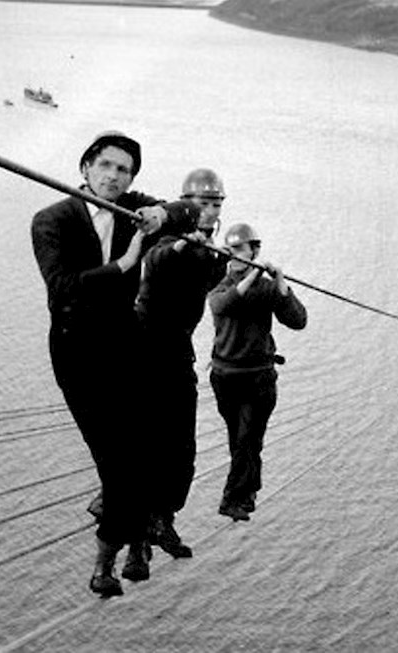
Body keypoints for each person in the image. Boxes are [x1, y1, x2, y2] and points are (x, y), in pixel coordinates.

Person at [31, 131, 198, 598]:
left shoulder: (132, 208)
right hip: (78, 354)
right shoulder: (51, 220)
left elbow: (189, 212)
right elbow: (63, 288)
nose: (113, 176)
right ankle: (104, 562)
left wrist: (163, 214)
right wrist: (126, 263)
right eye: (105, 166)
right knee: (117, 464)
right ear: (85, 168)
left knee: (150, 448)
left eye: (123, 171)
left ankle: (136, 548)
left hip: (125, 348)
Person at [135, 168, 228, 558]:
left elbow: (206, 284)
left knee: (182, 447)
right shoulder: (166, 238)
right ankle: (135, 530)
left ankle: (164, 517)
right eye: (204, 204)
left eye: (216, 205)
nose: (209, 211)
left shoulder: (212, 254)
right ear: (187, 204)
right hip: (144, 348)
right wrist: (183, 246)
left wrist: (219, 257)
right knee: (147, 442)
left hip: (177, 351)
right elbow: (155, 262)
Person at [207, 223, 307, 522]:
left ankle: (233, 498)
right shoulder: (219, 282)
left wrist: (281, 283)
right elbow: (224, 305)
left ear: (255, 250)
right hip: (225, 376)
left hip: (258, 375)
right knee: (242, 439)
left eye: (241, 249)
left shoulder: (267, 289)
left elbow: (298, 320)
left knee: (248, 438)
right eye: (231, 249)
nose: (235, 254)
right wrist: (254, 274)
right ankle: (248, 491)